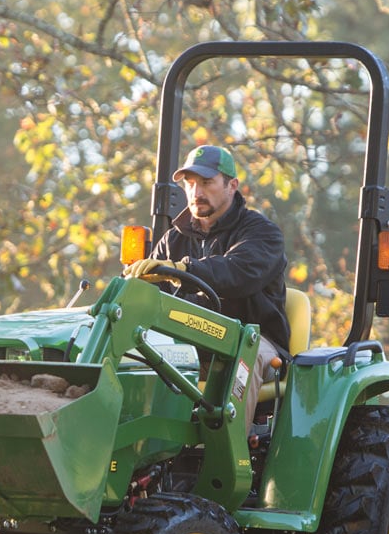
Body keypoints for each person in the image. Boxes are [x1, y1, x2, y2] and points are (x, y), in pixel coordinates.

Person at [123, 144, 289, 423]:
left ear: (231, 185)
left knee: (239, 361)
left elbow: (237, 272)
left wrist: (182, 270)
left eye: (206, 183)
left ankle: (228, 460)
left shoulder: (261, 233)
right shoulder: (173, 239)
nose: (196, 193)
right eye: (190, 184)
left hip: (253, 340)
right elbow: (149, 295)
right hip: (190, 340)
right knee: (132, 354)